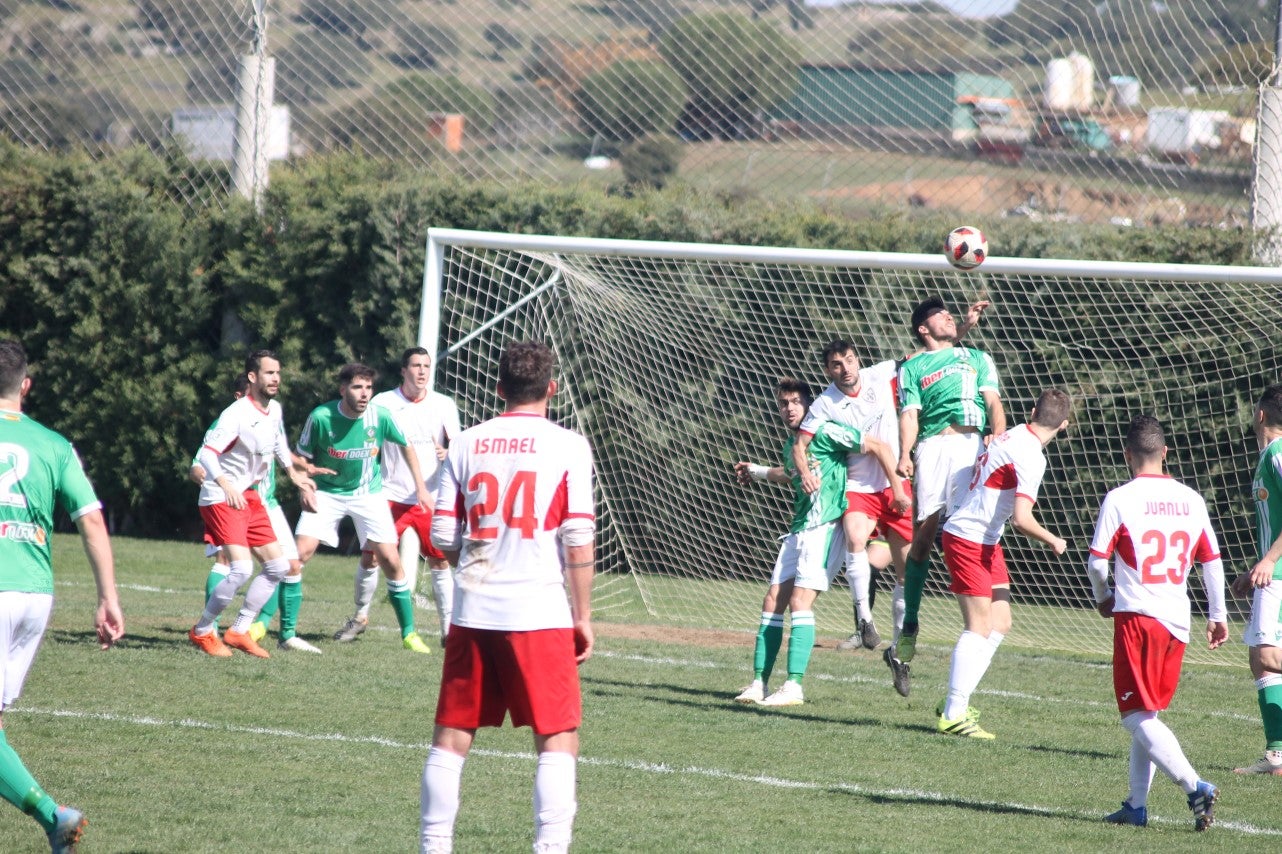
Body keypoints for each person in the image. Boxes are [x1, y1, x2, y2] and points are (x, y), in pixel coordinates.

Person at [421, 341, 595, 854]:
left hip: (473, 609)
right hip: (539, 611)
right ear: (552, 388)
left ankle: (434, 847)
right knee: (556, 738)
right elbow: (578, 538)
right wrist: (582, 616)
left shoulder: (467, 442)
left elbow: (443, 535)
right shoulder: (569, 444)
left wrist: (474, 568)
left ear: (498, 389)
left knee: (451, 737)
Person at [0, 339, 124, 852]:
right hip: (34, 593)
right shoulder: (54, 444)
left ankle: (54, 815)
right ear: (25, 386)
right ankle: (55, 821)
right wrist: (108, 596)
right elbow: (90, 519)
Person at [1087, 415, 1224, 831]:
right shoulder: (1192, 499)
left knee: (1134, 716)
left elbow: (1096, 562)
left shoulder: (1119, 498)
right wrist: (1217, 614)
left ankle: (1194, 785)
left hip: (1139, 617)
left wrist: (1104, 597)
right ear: (1165, 453)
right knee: (1148, 713)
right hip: (1177, 620)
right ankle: (1136, 805)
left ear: (1128, 455)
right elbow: (1211, 563)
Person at [736, 378, 908, 707]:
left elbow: (877, 446)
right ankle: (759, 682)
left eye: (795, 402)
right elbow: (788, 473)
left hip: (826, 526)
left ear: (808, 405)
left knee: (800, 602)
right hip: (799, 529)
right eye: (783, 403)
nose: (789, 408)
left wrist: (897, 487)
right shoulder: (793, 445)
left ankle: (794, 686)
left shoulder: (827, 431)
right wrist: (756, 471)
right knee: (772, 601)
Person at [934, 388, 1068, 739]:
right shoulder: (1033, 456)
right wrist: (1053, 539)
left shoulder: (1011, 434)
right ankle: (953, 712)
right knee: (978, 627)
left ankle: (957, 702)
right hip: (968, 538)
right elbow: (1022, 520)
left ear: (1032, 409)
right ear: (1064, 424)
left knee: (1001, 622)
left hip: (985, 540)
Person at [894, 296, 1005, 666]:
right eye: (939, 314)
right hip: (934, 447)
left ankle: (977, 618)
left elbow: (993, 403)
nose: (948, 315)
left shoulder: (976, 358)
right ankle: (910, 622)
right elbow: (910, 416)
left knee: (974, 529)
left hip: (973, 445)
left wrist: (998, 439)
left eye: (949, 313)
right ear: (923, 329)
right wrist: (904, 453)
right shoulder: (912, 367)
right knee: (924, 538)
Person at [293, 363, 433, 653]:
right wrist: (304, 485)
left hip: (367, 495)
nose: (364, 393)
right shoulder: (321, 417)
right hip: (328, 493)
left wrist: (420, 486)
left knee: (390, 561)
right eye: (358, 387)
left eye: (369, 387)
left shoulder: (380, 416)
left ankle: (409, 634)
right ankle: (268, 626)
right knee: (298, 555)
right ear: (343, 389)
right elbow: (299, 458)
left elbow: (407, 446)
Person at [190, 350, 314, 659]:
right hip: (221, 497)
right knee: (241, 568)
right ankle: (203, 630)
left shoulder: (275, 410)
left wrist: (295, 476)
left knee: (278, 566)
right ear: (252, 377)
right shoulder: (236, 413)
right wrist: (225, 484)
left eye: (278, 373)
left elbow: (280, 447)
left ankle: (239, 631)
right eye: (269, 373)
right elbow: (207, 453)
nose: (276, 379)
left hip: (250, 496)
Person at [333, 348, 461, 646]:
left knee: (439, 561)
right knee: (371, 556)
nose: (421, 371)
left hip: (431, 496)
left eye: (426, 366)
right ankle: (360, 617)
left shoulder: (444, 405)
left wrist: (447, 452)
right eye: (416, 365)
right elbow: (365, 439)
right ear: (404, 370)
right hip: (389, 494)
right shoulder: (383, 403)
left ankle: (447, 631)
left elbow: (457, 445)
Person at [1231, 383, 1282, 776]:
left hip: (1279, 574)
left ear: (1260, 415)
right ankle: (1277, 753)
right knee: (1259, 661)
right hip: (1270, 573)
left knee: (1267, 655)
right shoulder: (1268, 456)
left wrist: (1268, 561)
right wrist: (1255, 569)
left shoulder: (1278, 454)